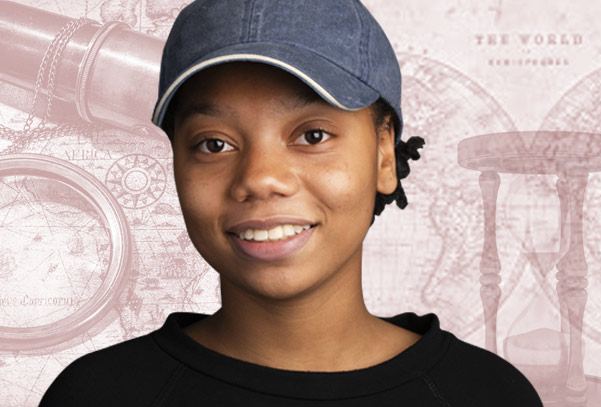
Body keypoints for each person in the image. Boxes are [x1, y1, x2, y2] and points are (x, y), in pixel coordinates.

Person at [40, 0, 543, 406]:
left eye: (313, 134)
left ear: (384, 155)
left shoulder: (487, 395)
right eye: (213, 144)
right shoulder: (97, 395)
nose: (260, 179)